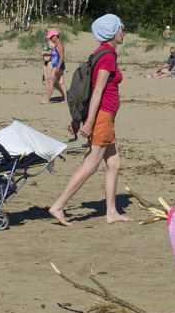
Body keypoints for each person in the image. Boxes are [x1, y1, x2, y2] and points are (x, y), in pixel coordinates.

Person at [49, 14, 134, 227]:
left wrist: (82, 119)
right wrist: (88, 122)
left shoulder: (102, 53)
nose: (123, 31)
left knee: (114, 163)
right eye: (121, 28)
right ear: (114, 32)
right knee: (91, 165)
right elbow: (97, 92)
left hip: (103, 116)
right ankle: (58, 205)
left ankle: (111, 212)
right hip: (102, 116)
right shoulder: (106, 56)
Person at [40, 29, 68, 104]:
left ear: (55, 36)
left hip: (57, 66)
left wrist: (58, 68)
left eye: (51, 37)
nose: (50, 39)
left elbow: (61, 57)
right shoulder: (57, 44)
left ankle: (47, 99)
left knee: (51, 81)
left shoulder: (59, 44)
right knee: (61, 83)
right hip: (58, 66)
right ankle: (66, 99)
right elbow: (55, 54)